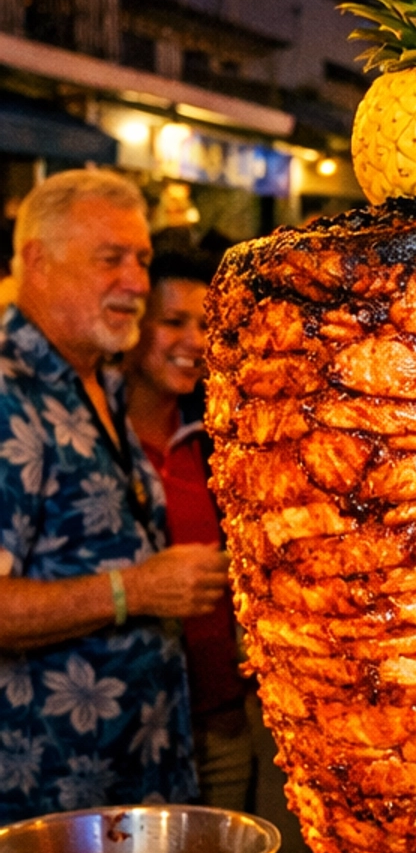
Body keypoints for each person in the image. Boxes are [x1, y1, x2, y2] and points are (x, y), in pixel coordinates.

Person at [0, 171, 227, 822]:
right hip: (45, 809)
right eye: (111, 259)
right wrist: (136, 590)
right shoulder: (8, 392)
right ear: (37, 261)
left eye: (142, 260)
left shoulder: (102, 385)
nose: (135, 282)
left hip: (137, 783)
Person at [125, 247, 253, 811]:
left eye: (206, 324)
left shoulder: (220, 436)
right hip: (133, 735)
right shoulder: (95, 443)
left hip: (223, 724)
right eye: (173, 322)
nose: (195, 341)